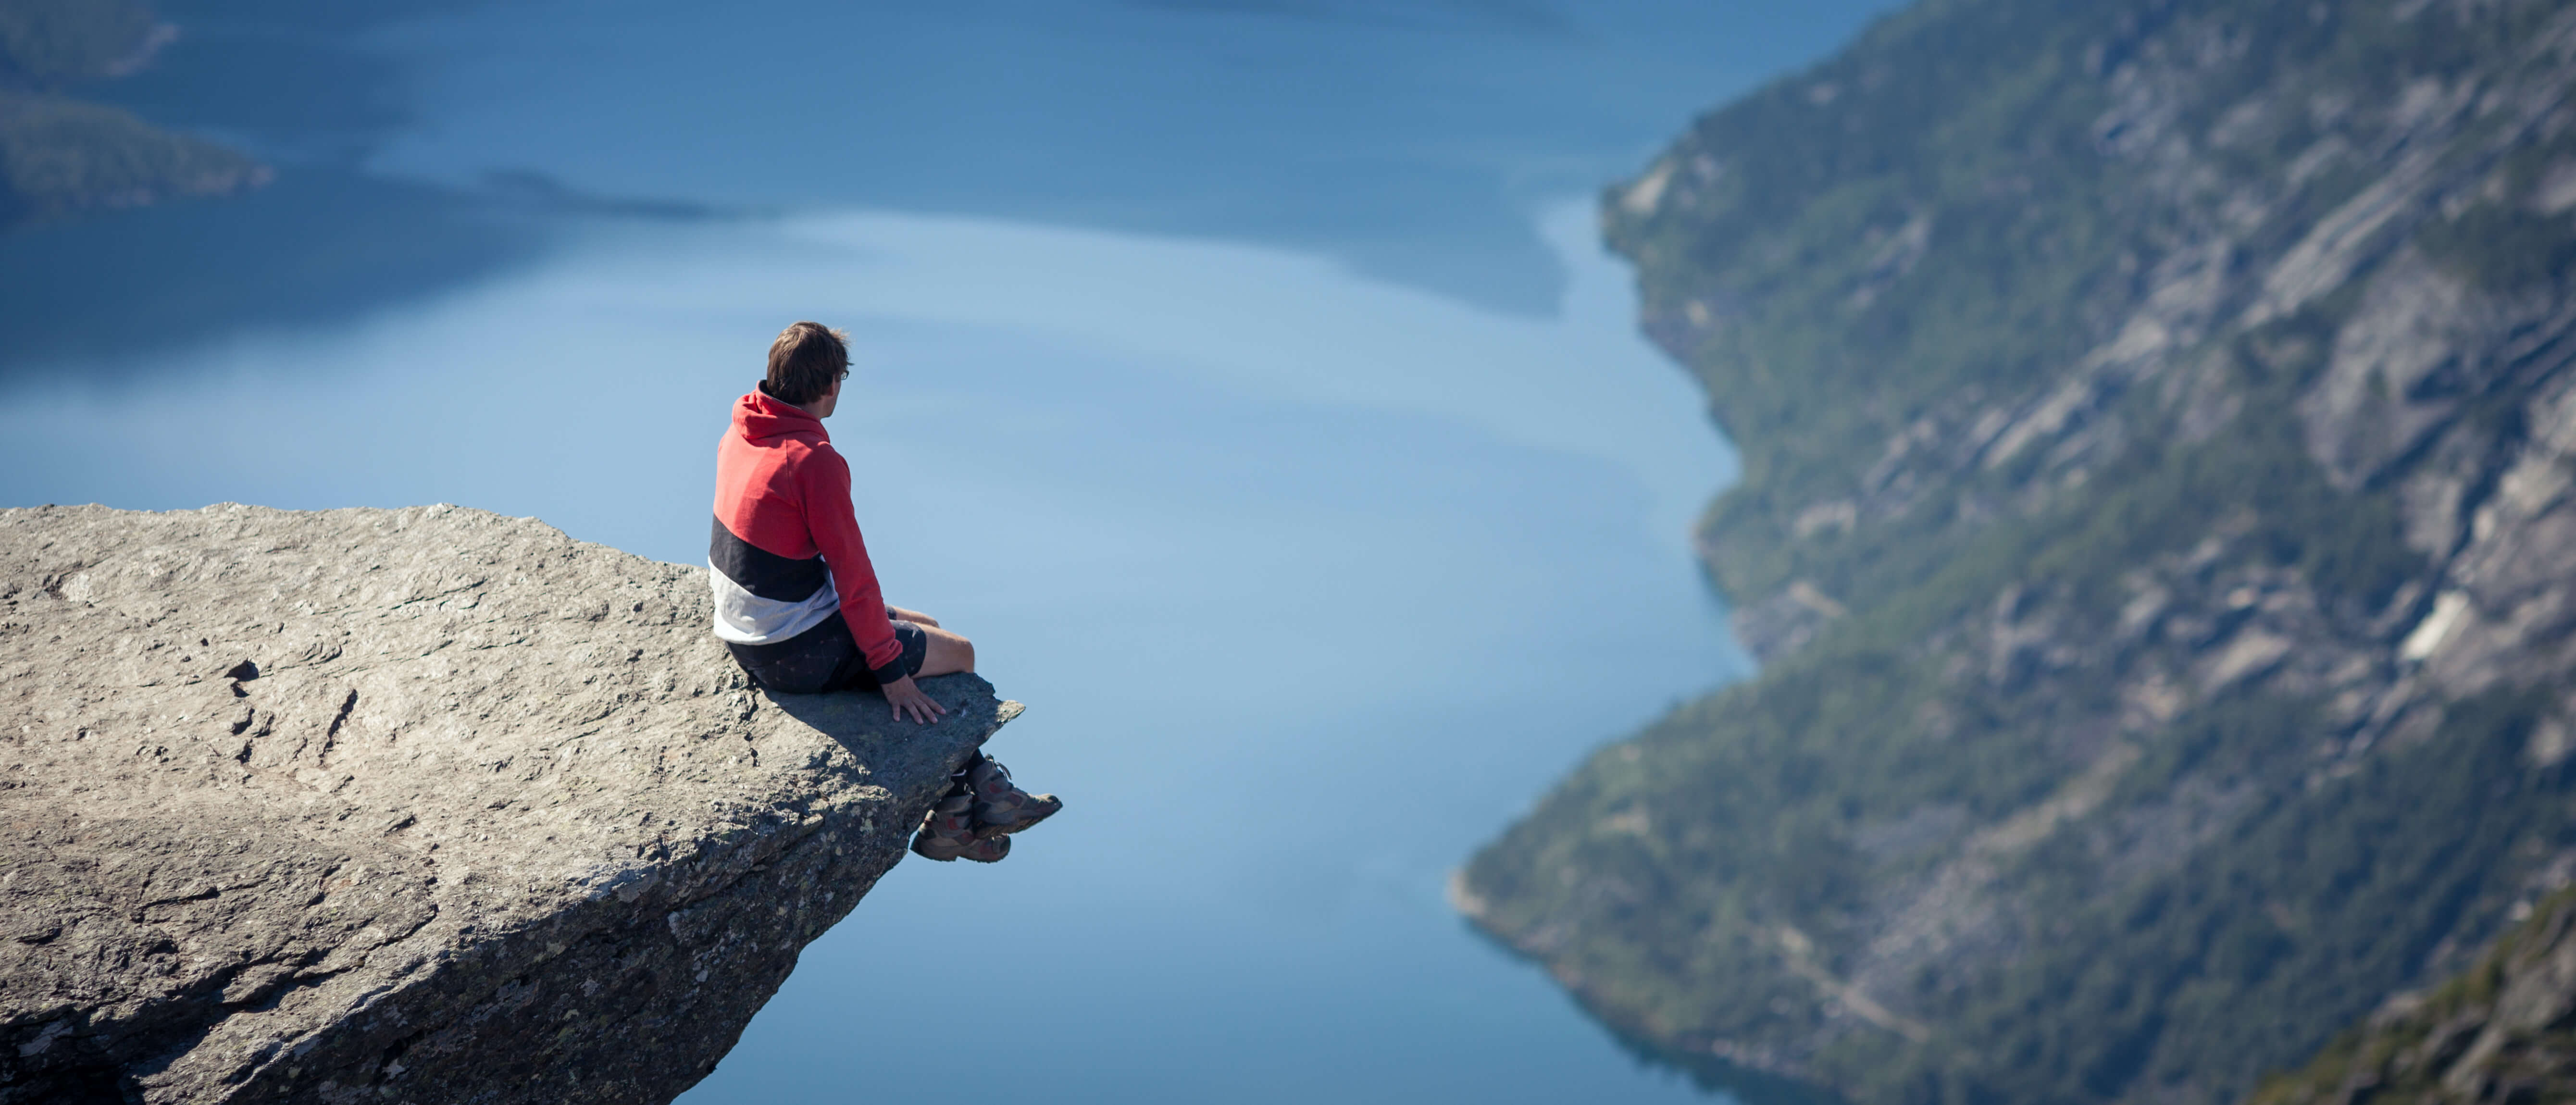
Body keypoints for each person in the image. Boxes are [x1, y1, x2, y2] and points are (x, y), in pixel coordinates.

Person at [709, 321, 1060, 863]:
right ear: (831, 383)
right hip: (793, 648)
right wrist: (890, 671)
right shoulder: (812, 461)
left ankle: (966, 805)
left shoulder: (742, 431)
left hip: (749, 628)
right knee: (959, 654)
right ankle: (968, 807)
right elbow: (853, 576)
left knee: (928, 623)